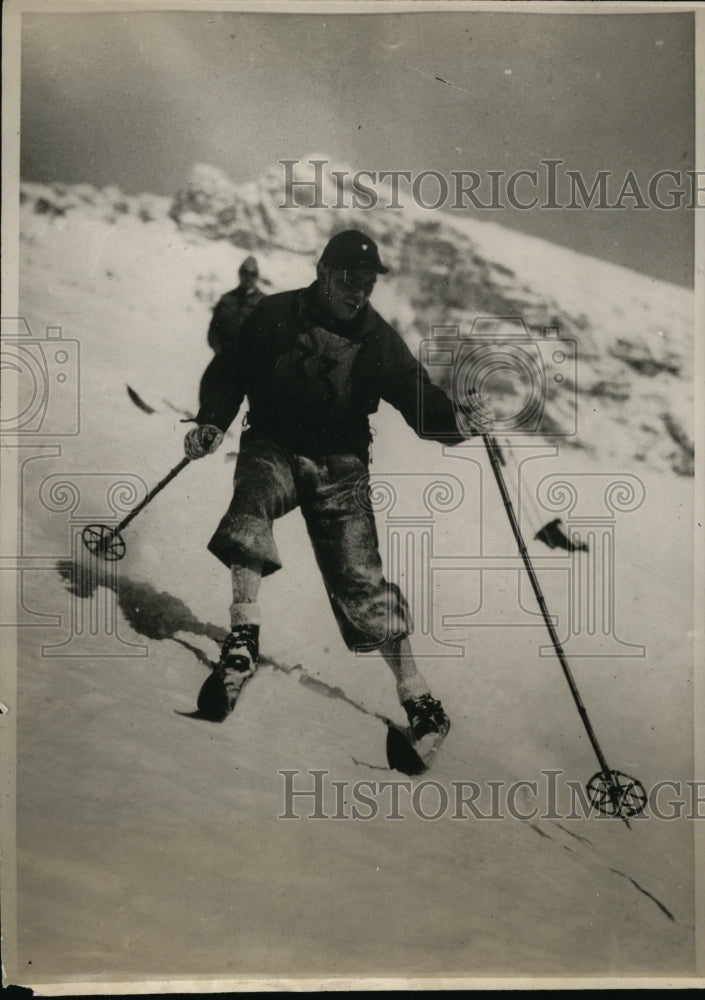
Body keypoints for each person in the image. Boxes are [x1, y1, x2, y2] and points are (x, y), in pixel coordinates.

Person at [185, 230, 493, 761]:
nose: (358, 292)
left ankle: (420, 701)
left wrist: (458, 422)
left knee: (360, 578)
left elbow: (418, 399)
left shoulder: (377, 337)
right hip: (275, 442)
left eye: (368, 282)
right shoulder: (277, 314)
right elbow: (229, 371)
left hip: (341, 464)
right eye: (350, 279)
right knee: (250, 506)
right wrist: (212, 421)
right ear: (324, 271)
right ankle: (242, 639)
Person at [207, 255, 264, 354]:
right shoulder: (227, 299)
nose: (247, 278)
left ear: (256, 276)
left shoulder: (264, 303)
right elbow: (213, 331)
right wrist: (220, 350)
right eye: (244, 273)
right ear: (239, 274)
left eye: (252, 274)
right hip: (223, 359)